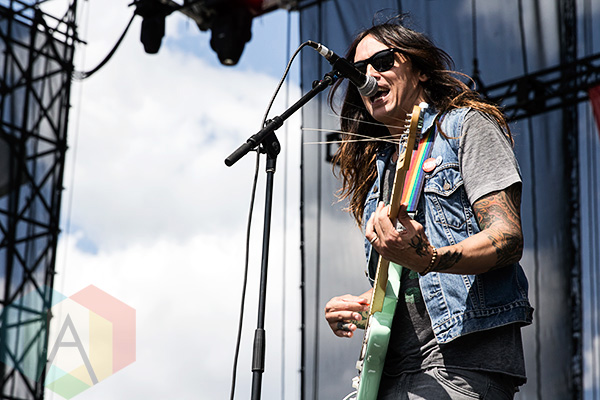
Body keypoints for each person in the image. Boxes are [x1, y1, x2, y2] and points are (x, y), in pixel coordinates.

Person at [324, 16, 534, 399]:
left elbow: (507, 239)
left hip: (459, 366)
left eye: (383, 61)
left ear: (420, 70)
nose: (369, 76)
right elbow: (405, 284)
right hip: (388, 373)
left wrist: (431, 258)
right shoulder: (379, 172)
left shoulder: (465, 127)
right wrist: (364, 306)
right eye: (357, 71)